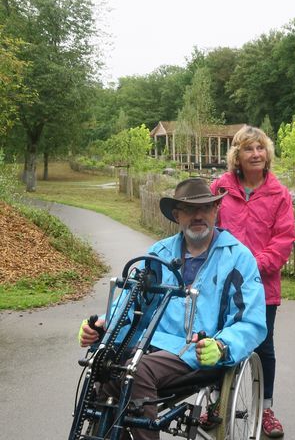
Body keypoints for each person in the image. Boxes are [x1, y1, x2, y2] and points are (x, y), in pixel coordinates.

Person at [78, 177, 267, 440]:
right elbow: (133, 302)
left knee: (137, 371)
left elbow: (252, 322)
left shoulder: (238, 258)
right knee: (104, 364)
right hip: (150, 345)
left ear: (216, 211)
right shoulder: (159, 253)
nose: (198, 215)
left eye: (205, 208)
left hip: (198, 350)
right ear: (177, 215)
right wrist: (103, 325)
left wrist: (223, 345)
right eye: (189, 210)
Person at [210, 125, 295, 438]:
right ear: (237, 155)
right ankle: (217, 402)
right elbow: (209, 228)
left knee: (263, 347)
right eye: (248, 149)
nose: (256, 154)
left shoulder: (279, 193)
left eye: (260, 148)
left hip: (263, 285)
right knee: (218, 339)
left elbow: (284, 239)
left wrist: (250, 266)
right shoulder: (220, 188)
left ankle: (266, 408)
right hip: (223, 285)